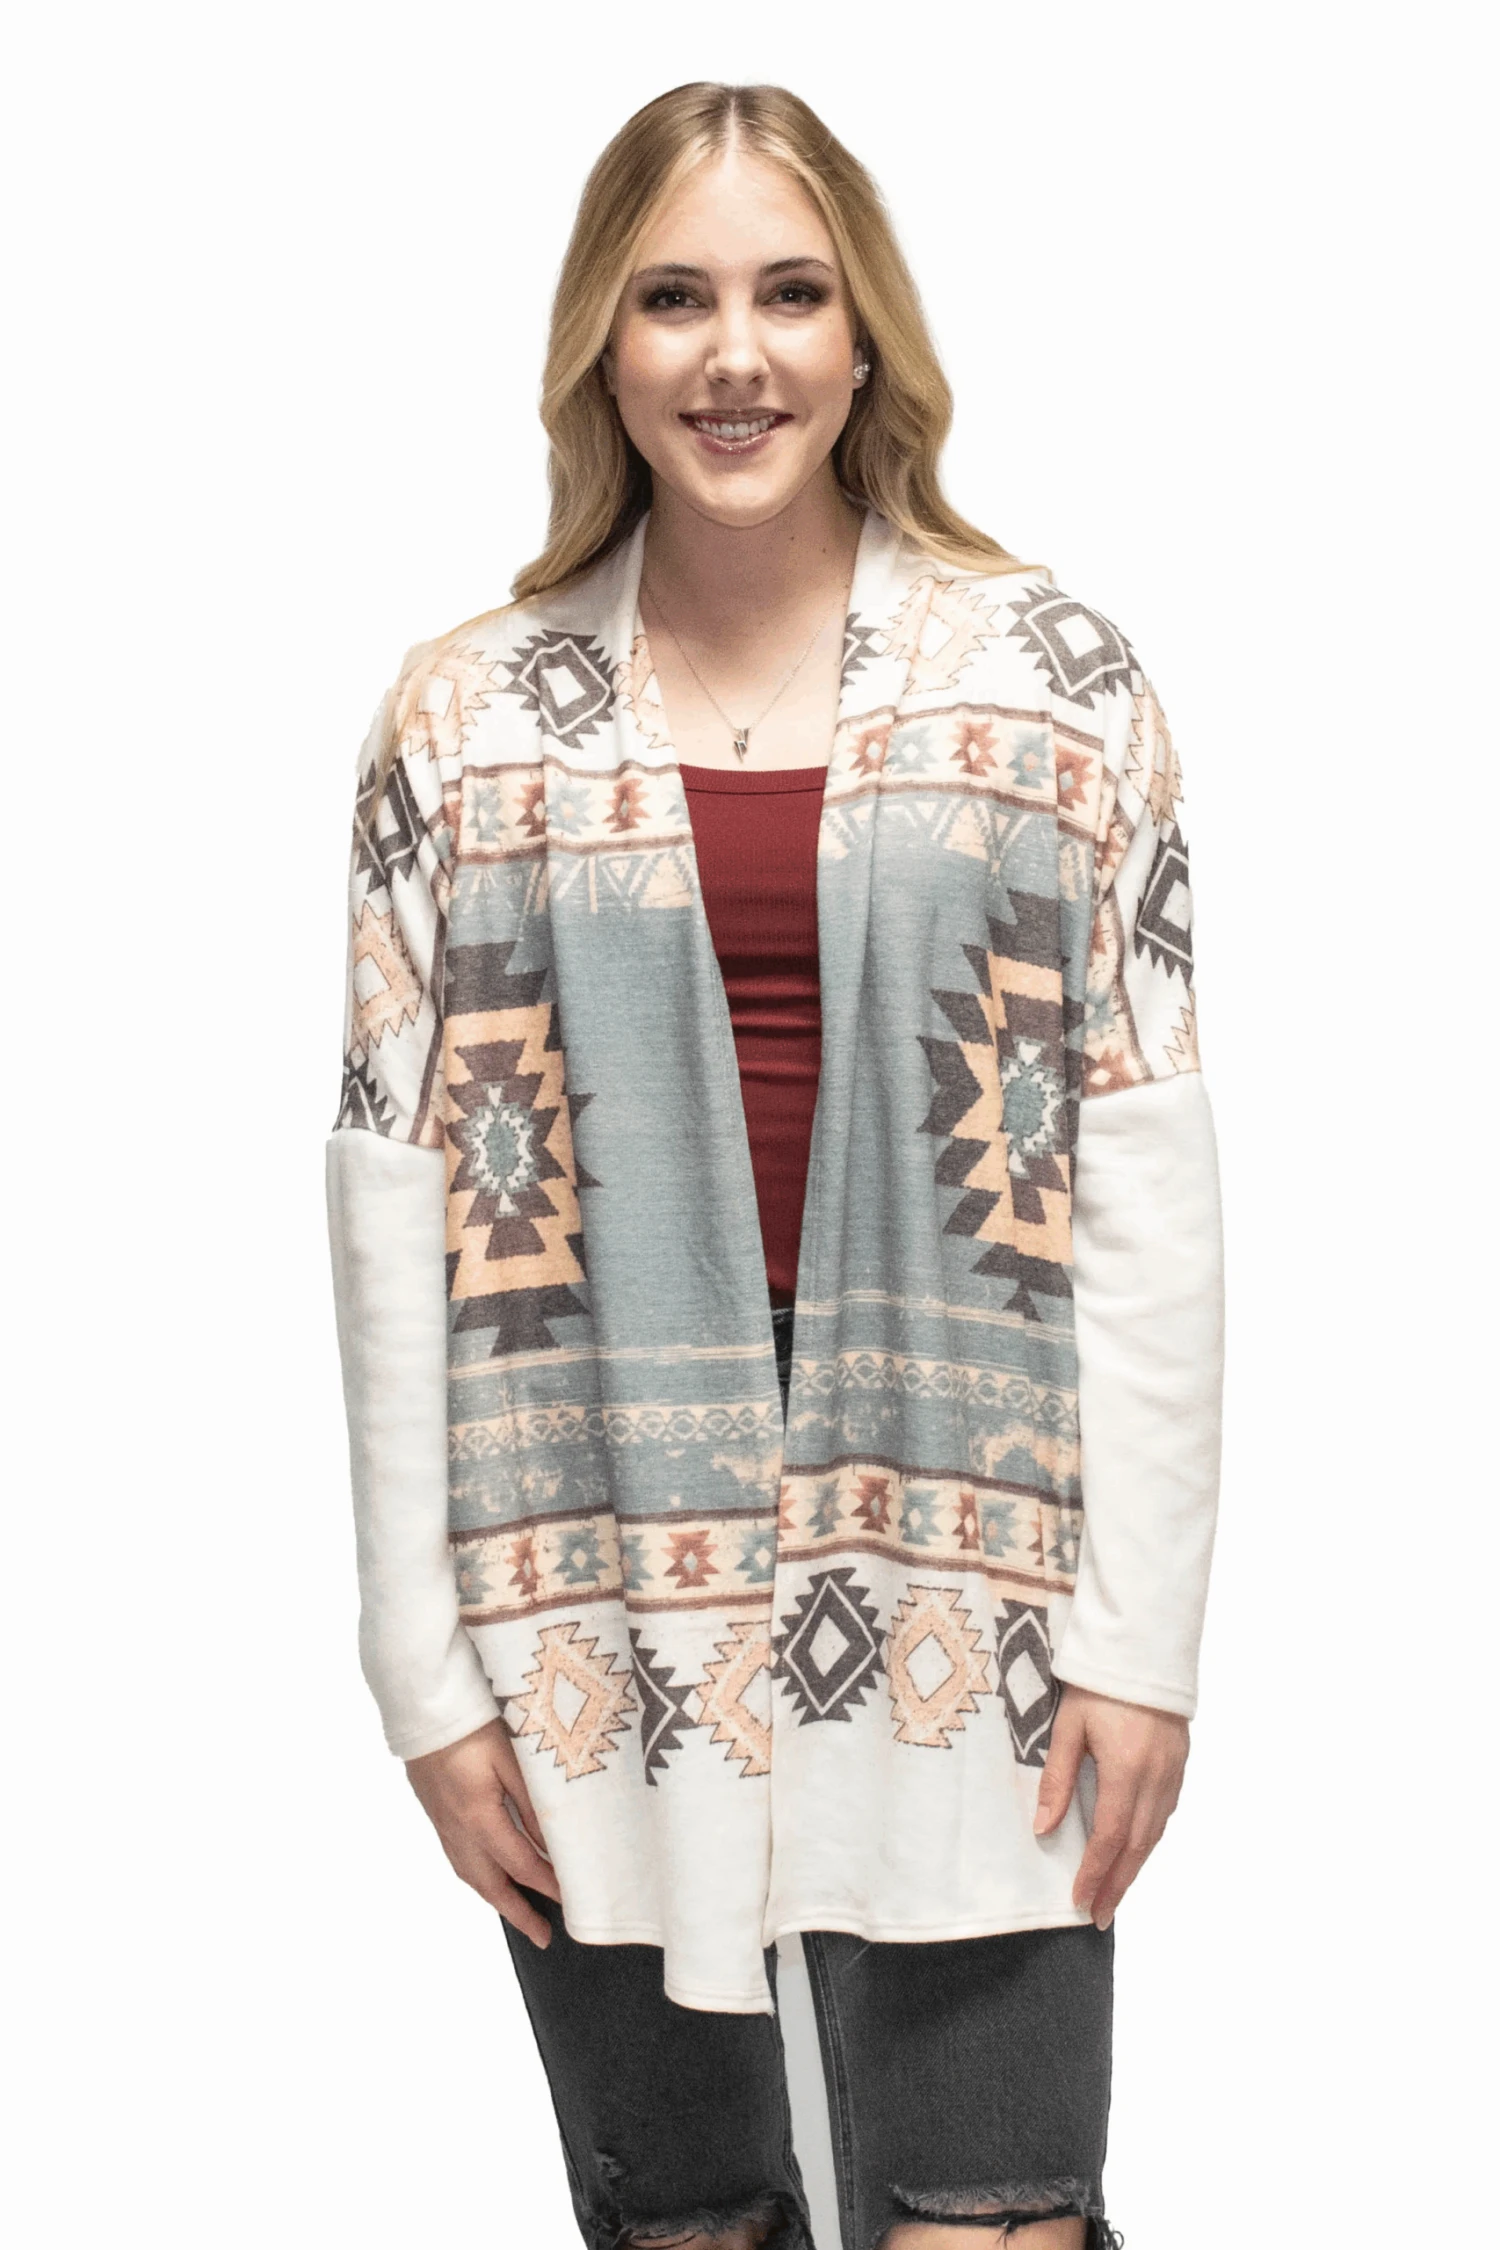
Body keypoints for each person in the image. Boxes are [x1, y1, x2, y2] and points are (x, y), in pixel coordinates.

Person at [326, 80, 1224, 2250]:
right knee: (691, 2219)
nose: (736, 355)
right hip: (590, 1560)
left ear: (865, 333)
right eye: (675, 298)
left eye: (791, 294)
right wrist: (421, 1672)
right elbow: (393, 1198)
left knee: (993, 2204)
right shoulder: (467, 721)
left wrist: (1144, 1643)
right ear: (601, 343)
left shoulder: (1056, 685)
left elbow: (1144, 1177)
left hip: (975, 1555)